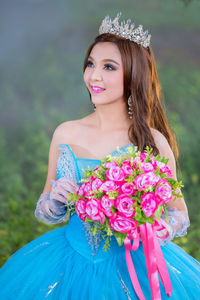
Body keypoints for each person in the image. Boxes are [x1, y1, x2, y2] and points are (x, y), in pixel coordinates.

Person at [0, 12, 199, 300]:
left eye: (109, 67)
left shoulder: (150, 141)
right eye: (91, 64)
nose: (94, 75)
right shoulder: (66, 133)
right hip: (70, 256)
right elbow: (44, 210)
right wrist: (55, 200)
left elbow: (179, 215)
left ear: (133, 75)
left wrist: (156, 229)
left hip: (133, 264)